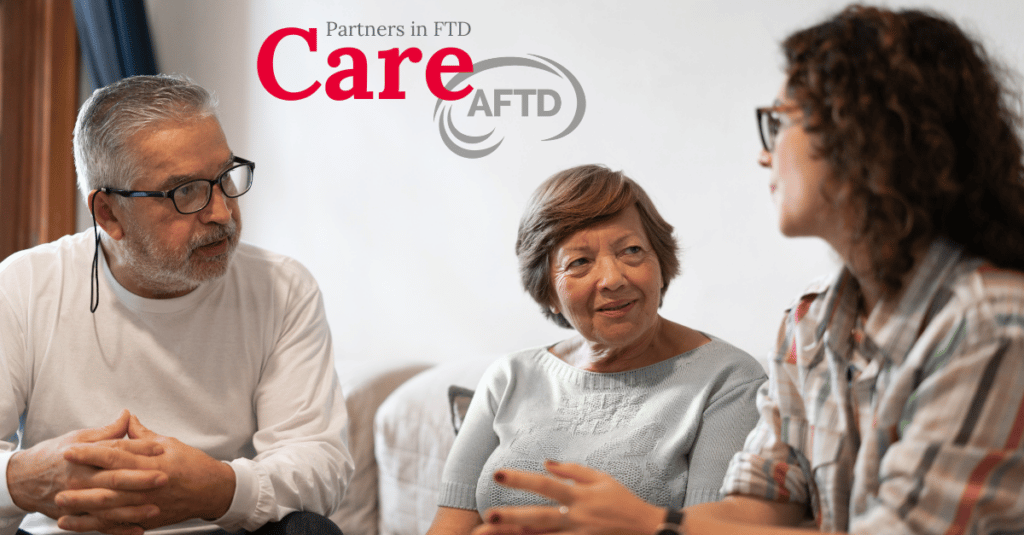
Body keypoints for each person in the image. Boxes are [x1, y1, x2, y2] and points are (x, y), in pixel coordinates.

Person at [470, 5, 1024, 535]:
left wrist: (651, 523)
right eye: (580, 263)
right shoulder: (810, 323)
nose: (765, 155)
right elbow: (760, 511)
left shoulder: (993, 324)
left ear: (865, 136)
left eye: (778, 124)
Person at [0, 75, 354, 535]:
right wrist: (23, 480)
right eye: (185, 191)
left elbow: (319, 460)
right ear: (108, 213)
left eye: (225, 178)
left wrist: (217, 488)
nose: (222, 213)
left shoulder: (282, 288)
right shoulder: (24, 285)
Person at [426, 165, 767, 535]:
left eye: (632, 251)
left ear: (660, 265)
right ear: (548, 293)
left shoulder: (729, 380)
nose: (613, 279)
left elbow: (711, 530)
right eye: (580, 262)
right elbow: (450, 525)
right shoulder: (509, 377)